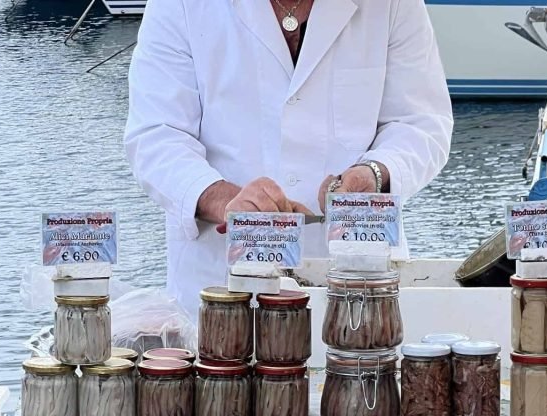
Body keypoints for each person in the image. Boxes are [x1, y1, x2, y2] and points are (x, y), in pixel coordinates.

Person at [124, 0, 453, 314]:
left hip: (360, 279)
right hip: (220, 288)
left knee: (361, 364)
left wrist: (374, 173)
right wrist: (223, 199)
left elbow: (422, 124)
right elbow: (157, 135)